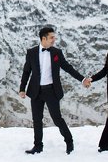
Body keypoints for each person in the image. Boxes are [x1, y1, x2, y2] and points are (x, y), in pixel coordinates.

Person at [19, 26, 87, 155]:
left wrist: (83, 79)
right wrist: (22, 88)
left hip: (51, 91)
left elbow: (68, 68)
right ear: (43, 38)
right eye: (51, 37)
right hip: (36, 91)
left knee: (57, 119)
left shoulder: (56, 53)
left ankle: (69, 142)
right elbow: (26, 71)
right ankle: (38, 146)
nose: (54, 40)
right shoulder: (31, 52)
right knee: (37, 120)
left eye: (54, 37)